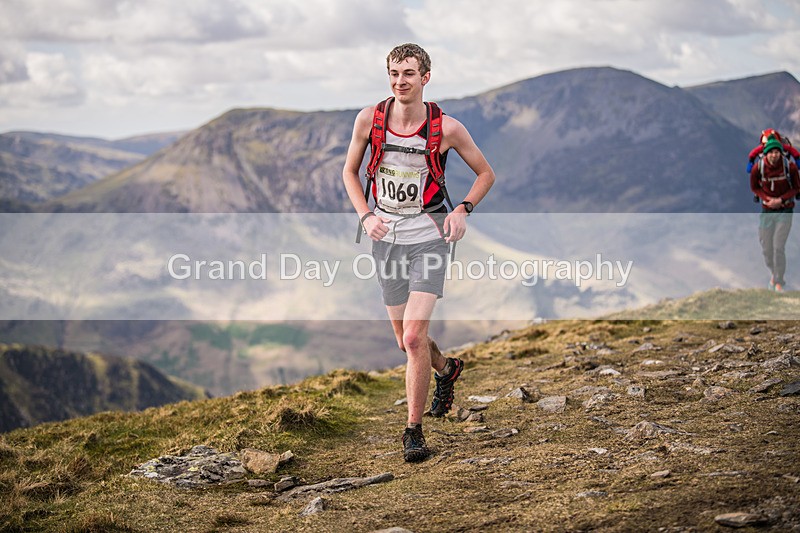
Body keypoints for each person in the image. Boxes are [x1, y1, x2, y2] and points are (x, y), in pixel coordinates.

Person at [342, 43, 495, 462]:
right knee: (405, 342)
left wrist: (462, 209)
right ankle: (447, 370)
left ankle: (413, 430)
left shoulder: (447, 128)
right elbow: (349, 172)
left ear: (425, 77)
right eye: (393, 73)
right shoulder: (369, 121)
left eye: (408, 73)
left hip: (429, 237)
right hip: (384, 239)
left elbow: (486, 173)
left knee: (413, 336)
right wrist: (365, 215)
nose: (399, 81)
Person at [750, 135, 800, 292]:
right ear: (765, 154)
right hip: (767, 211)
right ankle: (774, 274)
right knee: (766, 247)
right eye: (771, 152)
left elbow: (797, 188)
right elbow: (754, 188)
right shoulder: (758, 168)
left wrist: (781, 199)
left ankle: (778, 282)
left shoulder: (789, 167)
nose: (774, 155)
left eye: (777, 152)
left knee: (778, 246)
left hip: (785, 210)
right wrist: (767, 199)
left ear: (781, 153)